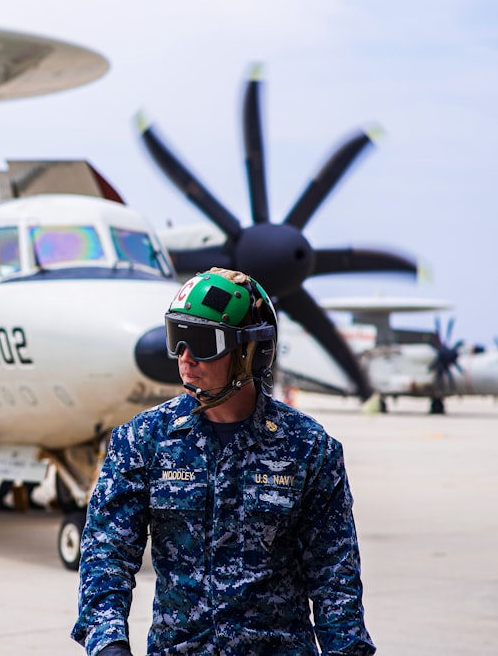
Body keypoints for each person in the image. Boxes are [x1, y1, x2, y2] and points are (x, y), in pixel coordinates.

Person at [71, 267, 374, 655]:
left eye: (201, 342)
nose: (185, 358)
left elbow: (335, 578)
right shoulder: (143, 440)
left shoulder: (309, 448)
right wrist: (108, 643)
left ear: (250, 351)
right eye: (177, 339)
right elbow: (107, 553)